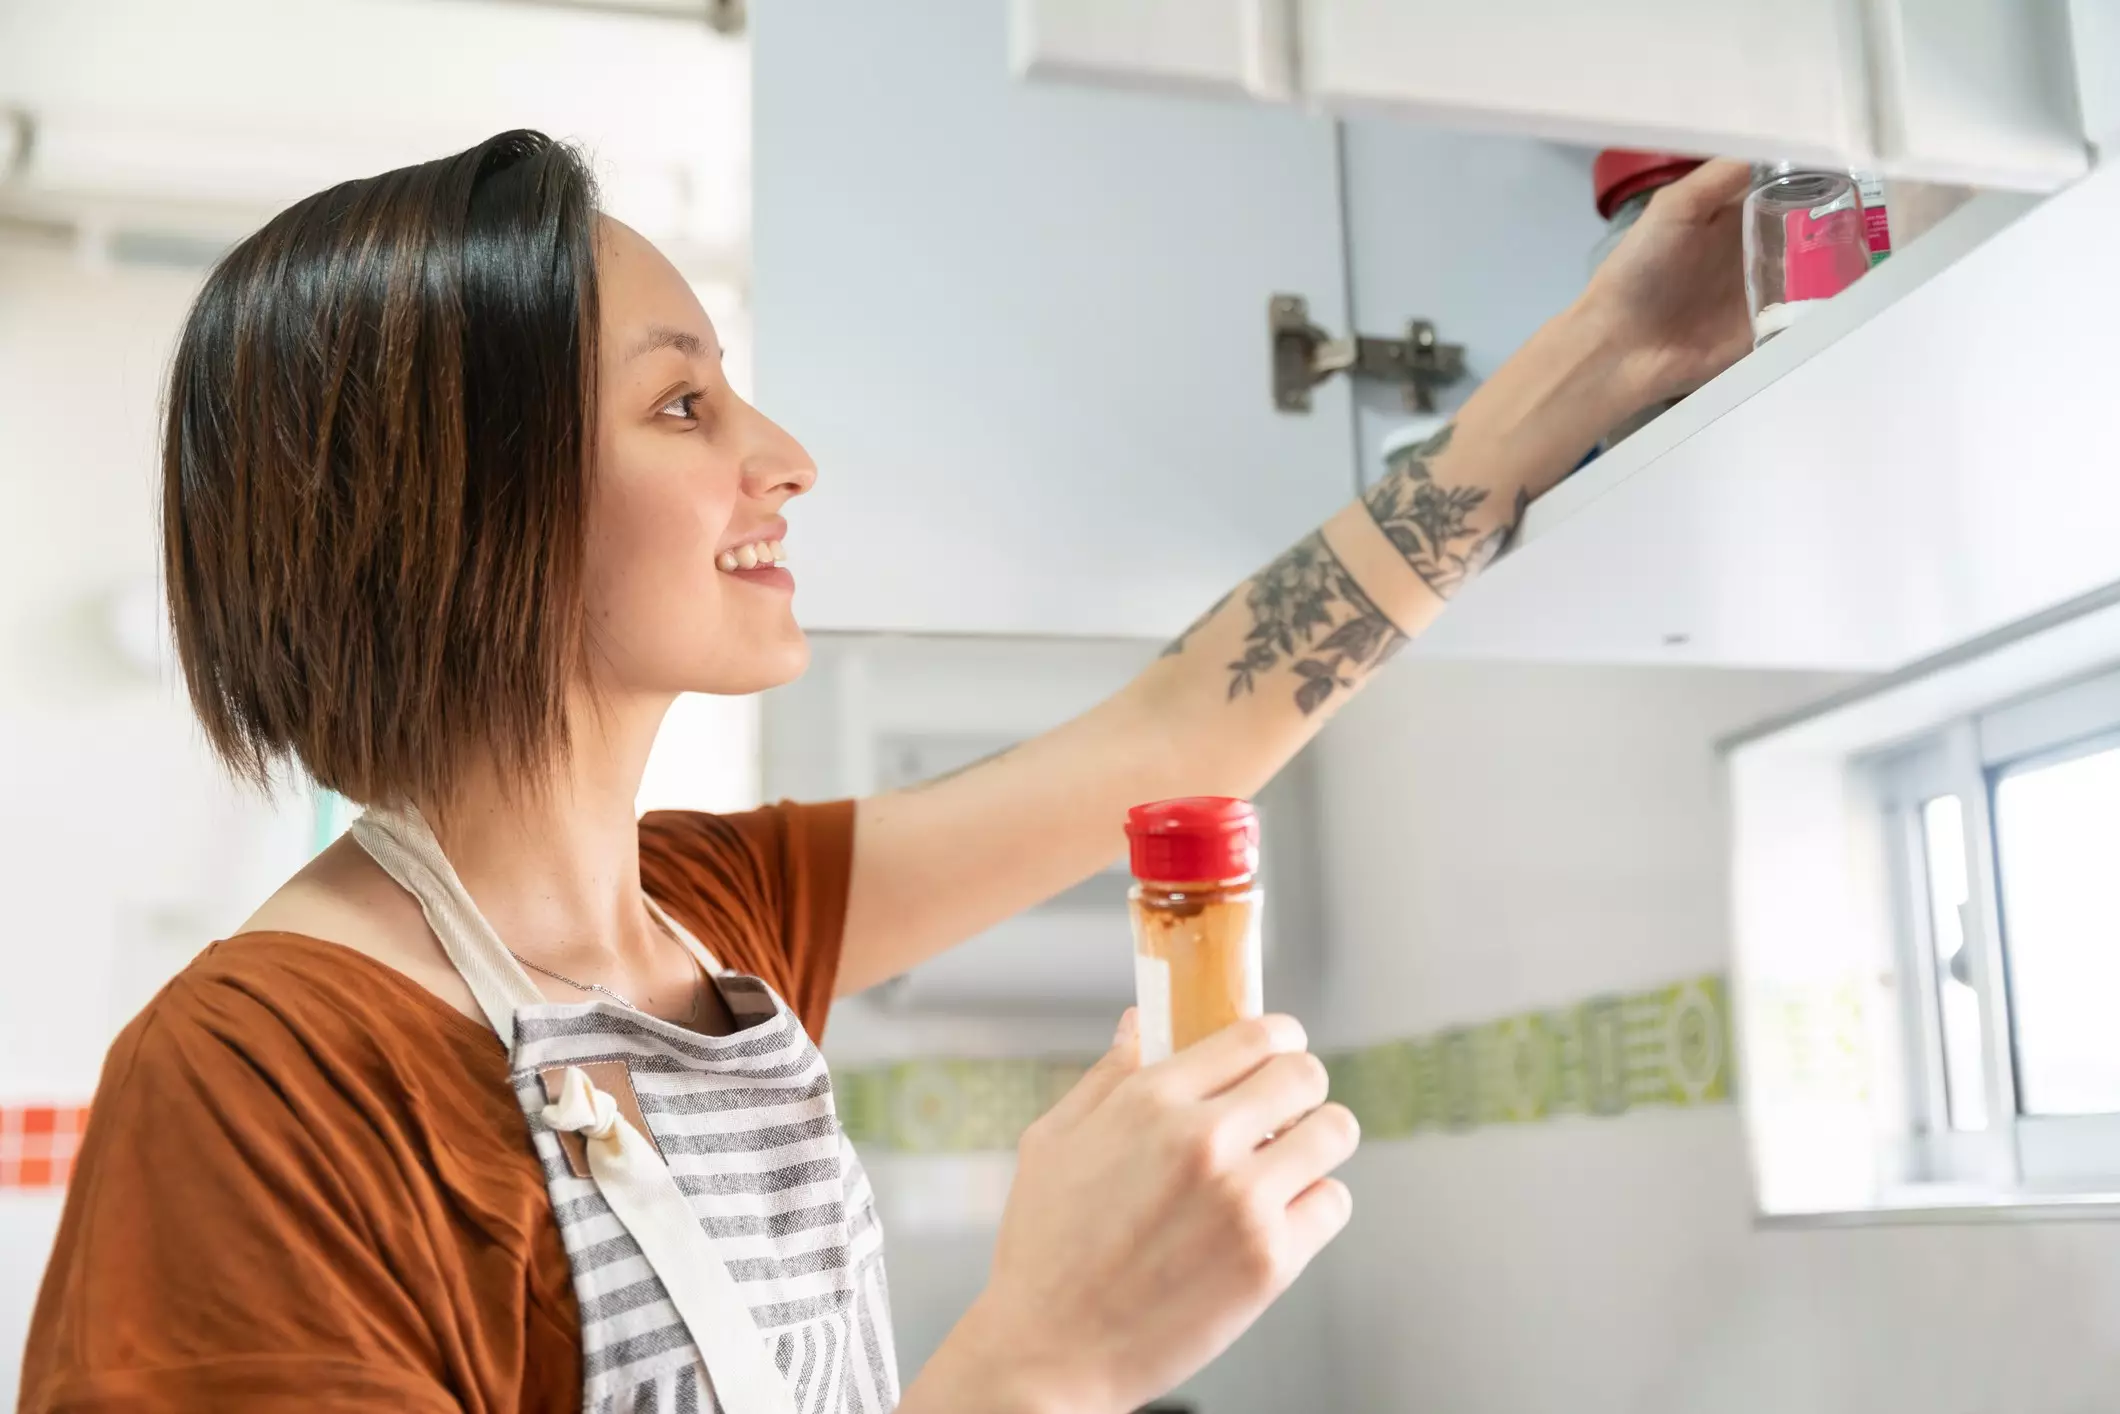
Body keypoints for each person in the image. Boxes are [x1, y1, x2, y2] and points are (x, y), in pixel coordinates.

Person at [20, 131, 1750, 1413]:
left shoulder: (711, 915)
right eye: (683, 406)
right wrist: (1040, 1363)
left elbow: (1178, 732)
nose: (783, 457)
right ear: (465, 491)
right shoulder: (258, 1089)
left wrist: (1609, 351)